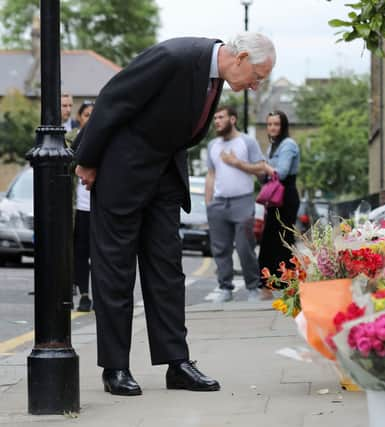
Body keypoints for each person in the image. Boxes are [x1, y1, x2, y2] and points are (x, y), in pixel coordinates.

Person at [73, 32, 275, 397]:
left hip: (164, 179)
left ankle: (176, 363)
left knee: (168, 271)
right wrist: (87, 159)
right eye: (257, 76)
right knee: (115, 272)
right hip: (124, 174)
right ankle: (115, 368)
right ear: (241, 57)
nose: (256, 86)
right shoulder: (175, 56)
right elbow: (114, 99)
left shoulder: (214, 78)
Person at [204, 106, 273, 303]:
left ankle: (252, 287)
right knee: (220, 249)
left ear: (232, 119)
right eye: (215, 118)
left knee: (245, 247)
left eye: (221, 117)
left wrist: (237, 163)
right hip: (218, 203)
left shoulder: (247, 142)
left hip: (242, 201)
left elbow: (261, 169)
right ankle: (225, 287)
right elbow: (211, 175)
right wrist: (209, 204)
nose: (216, 121)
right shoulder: (212, 146)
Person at [256, 111, 300, 295]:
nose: (272, 128)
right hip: (274, 198)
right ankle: (269, 280)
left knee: (283, 239)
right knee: (269, 238)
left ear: (283, 126)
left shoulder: (288, 145)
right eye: (270, 124)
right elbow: (265, 177)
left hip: (286, 197)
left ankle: (285, 280)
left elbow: (280, 173)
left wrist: (263, 166)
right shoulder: (272, 147)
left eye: (276, 124)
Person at [68, 101, 94, 312]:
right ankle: (84, 294)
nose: (90, 119)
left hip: (101, 207)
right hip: (81, 209)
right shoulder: (73, 138)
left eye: (93, 115)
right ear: (80, 118)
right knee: (81, 252)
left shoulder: (105, 138)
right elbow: (68, 163)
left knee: (101, 254)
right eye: (86, 115)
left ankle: (101, 294)